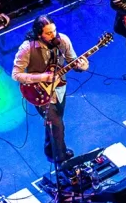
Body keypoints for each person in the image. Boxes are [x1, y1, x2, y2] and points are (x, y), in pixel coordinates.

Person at [11, 15, 88, 164]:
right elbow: (16, 74)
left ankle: (50, 149)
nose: (54, 35)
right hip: (38, 92)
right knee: (58, 125)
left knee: (53, 122)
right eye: (48, 33)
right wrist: (41, 77)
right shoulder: (27, 48)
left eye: (54, 30)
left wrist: (82, 67)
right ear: (39, 34)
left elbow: (73, 62)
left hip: (59, 89)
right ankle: (61, 159)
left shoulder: (63, 40)